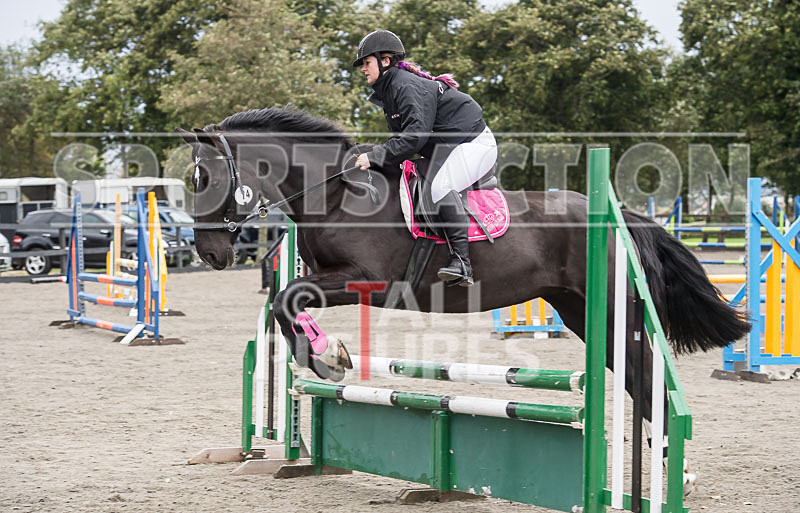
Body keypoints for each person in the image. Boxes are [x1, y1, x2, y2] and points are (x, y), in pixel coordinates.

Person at [353, 30, 497, 287]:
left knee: (441, 187)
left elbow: (414, 137)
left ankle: (463, 263)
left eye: (367, 62)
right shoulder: (392, 89)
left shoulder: (405, 85)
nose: (363, 69)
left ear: (385, 61)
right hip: (447, 148)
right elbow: (405, 142)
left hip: (473, 144)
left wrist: (374, 155)